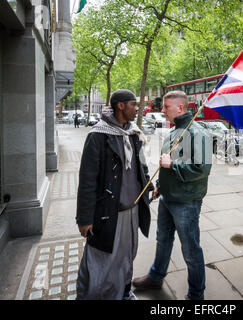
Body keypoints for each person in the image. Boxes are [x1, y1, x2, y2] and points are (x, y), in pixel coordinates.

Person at [132, 90, 212, 300]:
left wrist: (172, 164)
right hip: (168, 197)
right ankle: (156, 277)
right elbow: (166, 166)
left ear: (181, 108)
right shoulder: (174, 131)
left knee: (190, 249)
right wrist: (159, 185)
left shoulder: (197, 132)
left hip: (186, 202)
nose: (163, 110)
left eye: (166, 107)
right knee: (163, 240)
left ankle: (196, 295)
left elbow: (202, 169)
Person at [75, 89, 153, 300]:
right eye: (133, 105)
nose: (137, 109)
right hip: (108, 213)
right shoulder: (98, 136)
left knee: (126, 257)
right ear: (121, 106)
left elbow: (141, 167)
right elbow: (87, 180)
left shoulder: (133, 133)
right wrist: (84, 218)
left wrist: (150, 186)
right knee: (102, 260)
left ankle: (124, 292)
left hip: (132, 210)